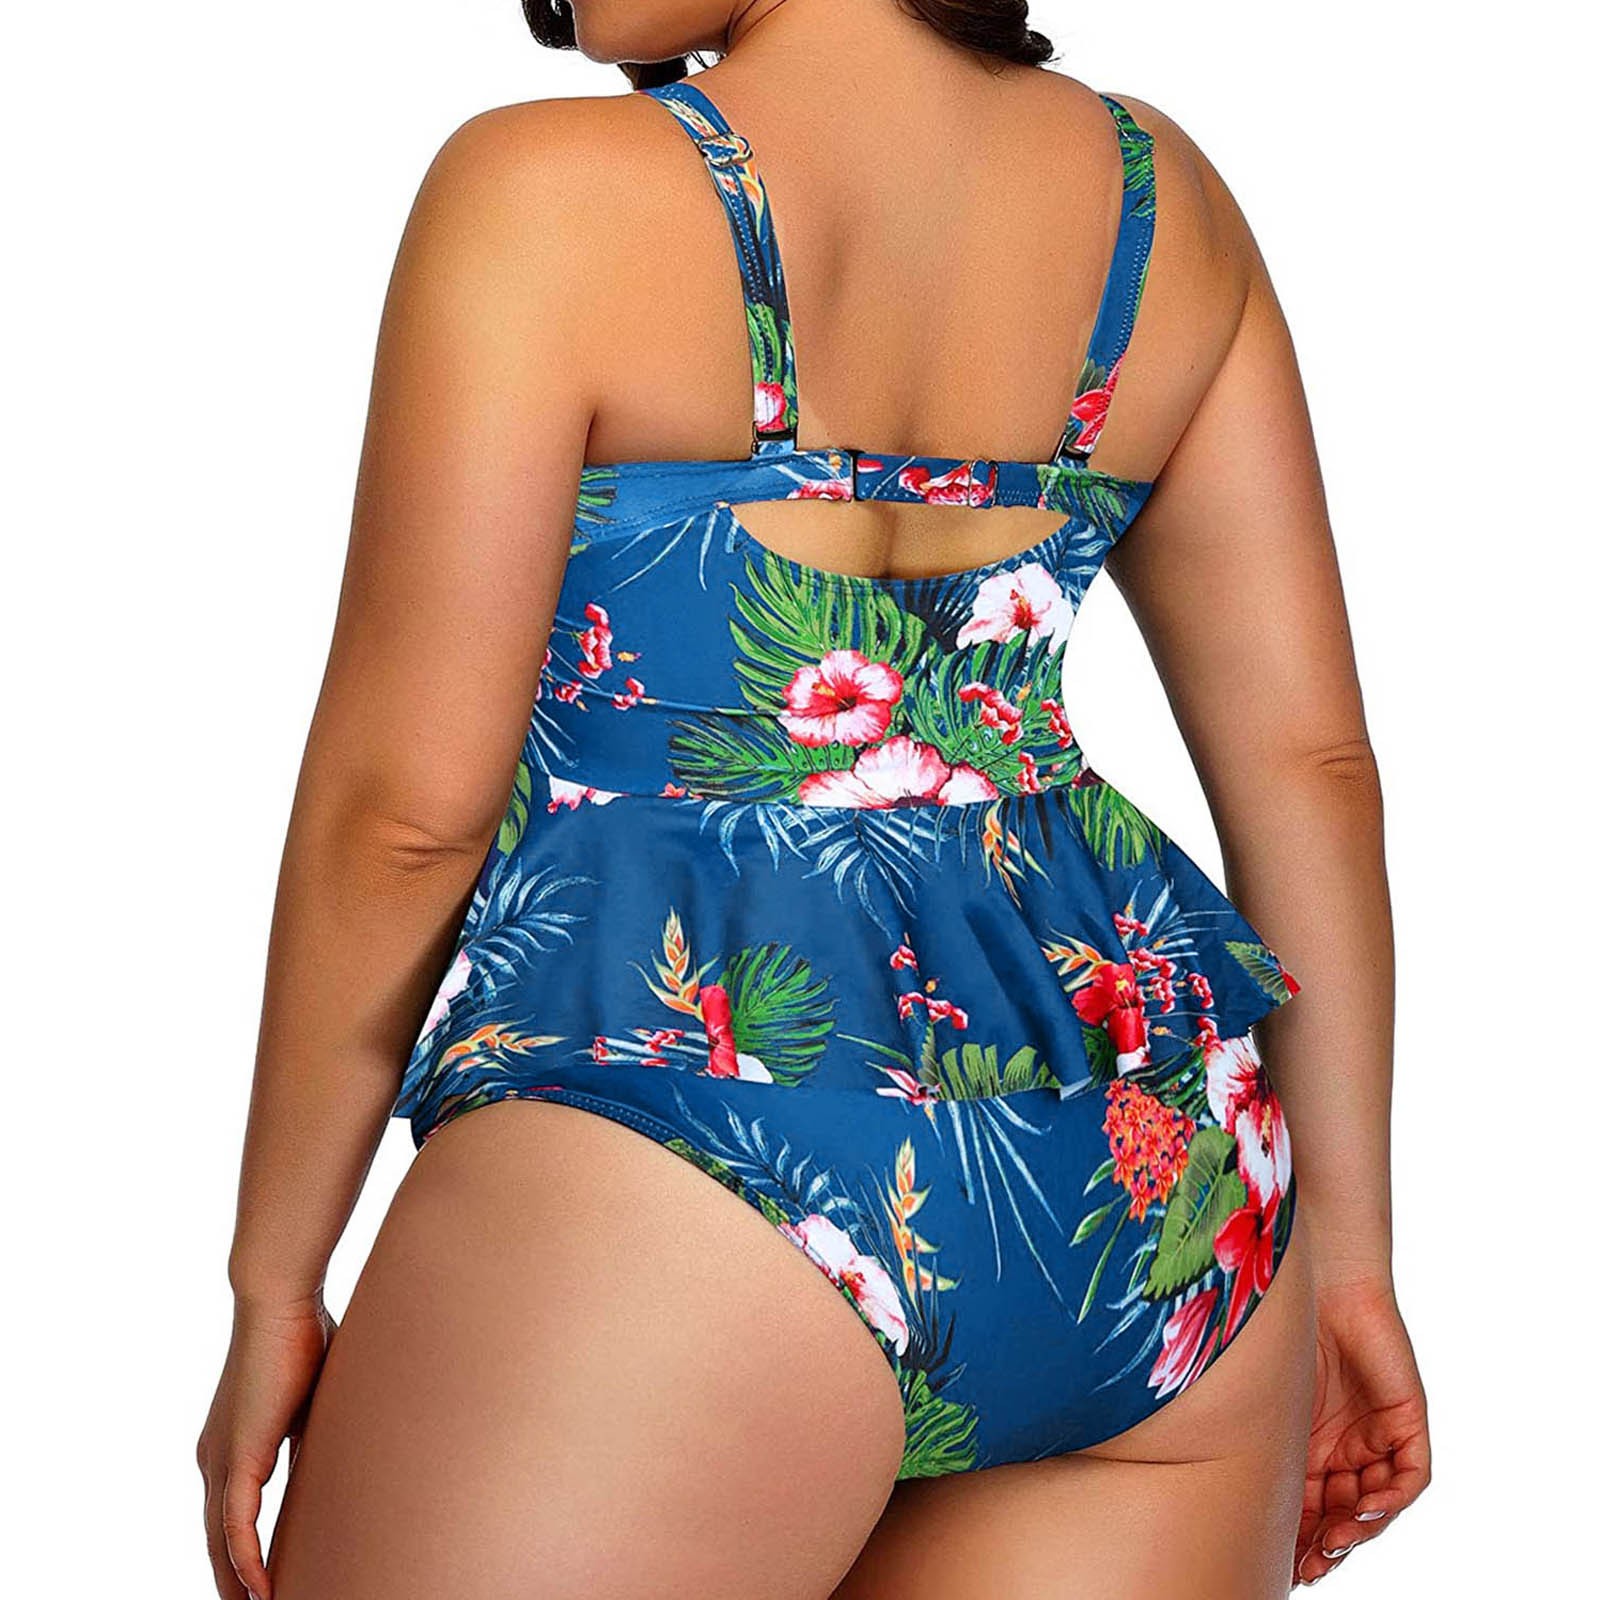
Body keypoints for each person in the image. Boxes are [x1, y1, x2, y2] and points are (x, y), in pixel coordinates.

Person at [197, 2, 1430, 1595]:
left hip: (683, 1143)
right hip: (1151, 1205)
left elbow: (405, 816)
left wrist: (273, 1277)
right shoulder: (1159, 199)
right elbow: (1311, 766)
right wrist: (1352, 1267)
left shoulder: (547, 191)